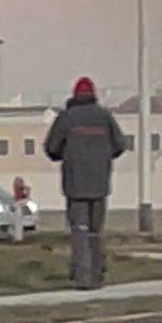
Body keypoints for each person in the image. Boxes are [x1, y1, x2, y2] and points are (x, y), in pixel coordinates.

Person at [44, 76, 126, 289]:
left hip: (75, 185)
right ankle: (97, 275)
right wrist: (102, 157)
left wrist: (69, 154)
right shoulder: (104, 116)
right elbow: (120, 145)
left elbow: (51, 148)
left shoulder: (66, 117)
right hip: (100, 185)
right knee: (95, 231)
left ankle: (82, 277)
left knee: (79, 230)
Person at [10, 174, 34, 245]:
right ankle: (18, 238)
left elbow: (25, 198)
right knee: (17, 223)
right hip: (18, 207)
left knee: (18, 223)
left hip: (20, 206)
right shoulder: (18, 190)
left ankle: (18, 238)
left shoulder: (23, 190)